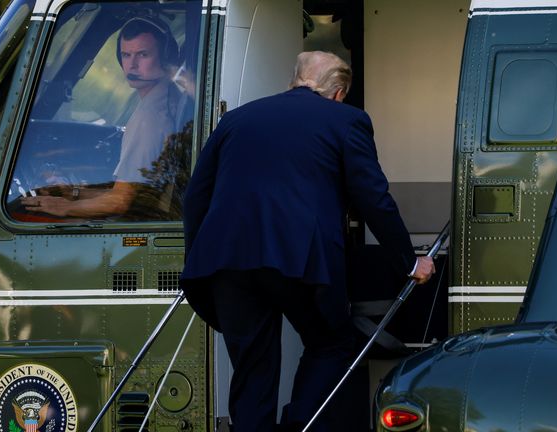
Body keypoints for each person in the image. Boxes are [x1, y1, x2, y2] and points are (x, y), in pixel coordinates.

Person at [180, 51, 435, 432]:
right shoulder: (347, 120)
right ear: (339, 93)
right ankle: (301, 424)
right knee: (331, 343)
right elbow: (373, 199)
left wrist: (201, 258)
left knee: (252, 367)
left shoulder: (235, 120)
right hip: (302, 259)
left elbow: (195, 198)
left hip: (226, 262)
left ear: (294, 81)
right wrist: (410, 262)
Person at [22, 17, 190, 219]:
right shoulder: (169, 99)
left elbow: (120, 202)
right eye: (126, 55)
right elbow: (131, 191)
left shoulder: (149, 118)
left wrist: (64, 207)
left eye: (143, 55)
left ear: (165, 59)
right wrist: (75, 193)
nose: (132, 66)